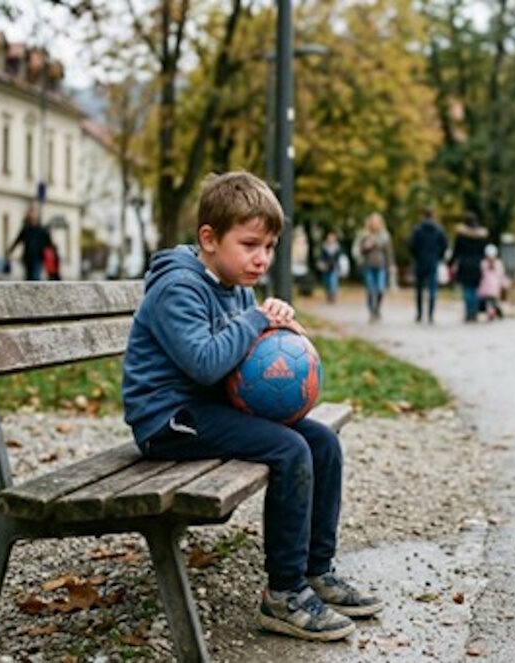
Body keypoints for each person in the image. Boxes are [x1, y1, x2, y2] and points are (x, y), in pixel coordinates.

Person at [121, 171, 383, 642]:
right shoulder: (177, 288)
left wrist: (277, 330)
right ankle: (283, 595)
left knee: (319, 440)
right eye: (250, 245)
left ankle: (315, 570)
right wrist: (255, 318)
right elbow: (204, 363)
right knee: (288, 450)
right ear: (209, 238)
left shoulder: (234, 281)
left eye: (269, 247)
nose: (261, 259)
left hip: (208, 408)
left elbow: (244, 353)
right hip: (170, 419)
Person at [407, 207, 448, 324]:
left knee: (419, 289)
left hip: (420, 261)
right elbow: (444, 246)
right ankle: (430, 314)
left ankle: (419, 314)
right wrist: (438, 256)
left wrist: (416, 256)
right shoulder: (439, 230)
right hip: (433, 261)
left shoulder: (417, 230)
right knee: (432, 289)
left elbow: (412, 245)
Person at [447, 211, 488, 322]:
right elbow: (484, 252)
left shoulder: (461, 236)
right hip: (477, 265)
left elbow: (456, 251)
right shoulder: (481, 236)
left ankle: (469, 312)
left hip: (464, 264)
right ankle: (474, 313)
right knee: (475, 290)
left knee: (467, 289)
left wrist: (450, 263)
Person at [357, 213, 393, 322]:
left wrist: (391, 265)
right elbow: (360, 251)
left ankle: (377, 308)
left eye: (377, 222)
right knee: (370, 290)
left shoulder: (385, 235)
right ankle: (372, 311)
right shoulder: (365, 235)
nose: (375, 225)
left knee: (380, 289)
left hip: (381, 265)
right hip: (368, 265)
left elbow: (389, 252)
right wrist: (366, 247)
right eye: (373, 222)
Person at [7, 207, 53, 281]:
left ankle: (36, 291)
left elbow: (49, 244)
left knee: (35, 276)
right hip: (27, 257)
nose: (33, 219)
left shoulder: (42, 230)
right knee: (29, 277)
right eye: (31, 217)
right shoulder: (26, 229)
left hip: (38, 257)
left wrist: (52, 253)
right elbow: (17, 240)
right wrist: (10, 250)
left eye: (34, 217)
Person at [478, 244, 507, 320]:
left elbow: (501, 276)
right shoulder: (484, 263)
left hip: (491, 287)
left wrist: (503, 284)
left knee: (492, 301)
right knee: (490, 301)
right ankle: (492, 312)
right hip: (488, 287)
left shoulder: (497, 264)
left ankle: (492, 312)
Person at [317, 231, 343, 303]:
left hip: (334, 267)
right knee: (327, 283)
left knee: (333, 282)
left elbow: (340, 258)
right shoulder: (324, 247)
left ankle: (333, 296)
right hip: (326, 267)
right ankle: (328, 295)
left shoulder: (338, 248)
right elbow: (321, 257)